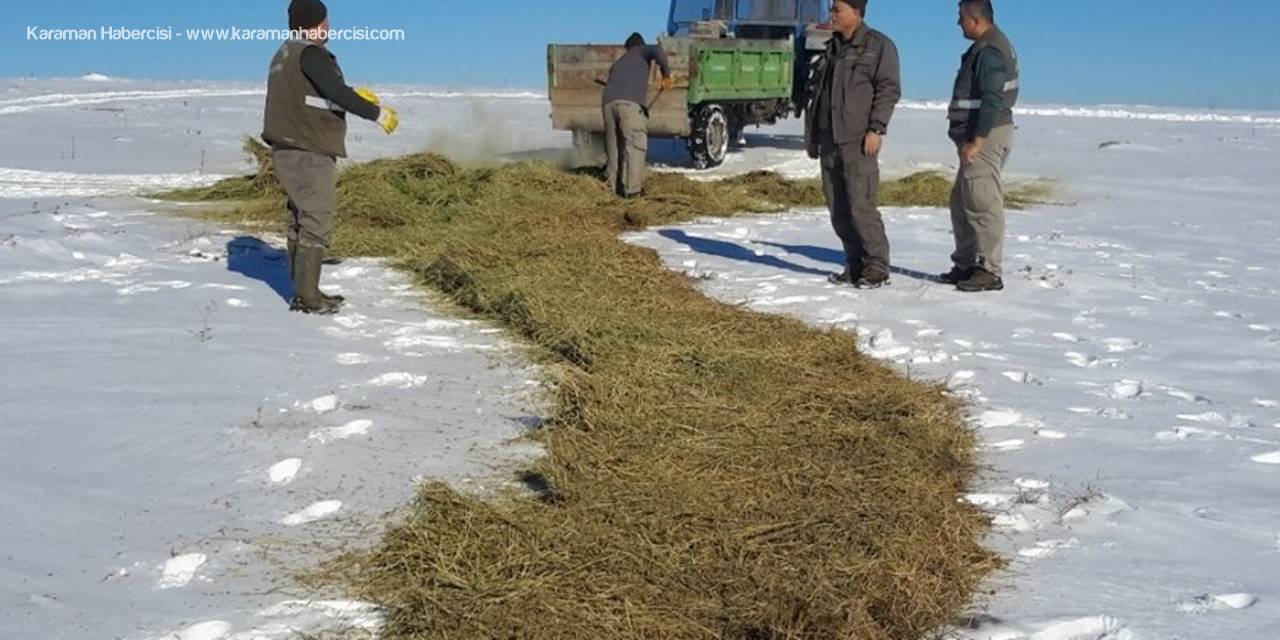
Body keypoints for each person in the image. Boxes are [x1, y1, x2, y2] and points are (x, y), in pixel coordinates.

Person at [261, 0, 399, 315]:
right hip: (308, 149)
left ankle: (304, 290)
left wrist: (348, 94)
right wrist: (375, 113)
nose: (329, 27)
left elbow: (316, 95)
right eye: (326, 21)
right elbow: (332, 90)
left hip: (288, 148)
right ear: (315, 22)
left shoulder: (284, 54)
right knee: (315, 216)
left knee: (300, 216)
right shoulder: (310, 52)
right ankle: (308, 297)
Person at [805, 0, 901, 289]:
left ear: (856, 13)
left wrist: (876, 128)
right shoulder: (831, 49)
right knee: (839, 209)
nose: (831, 14)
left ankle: (876, 266)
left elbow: (889, 89)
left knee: (861, 206)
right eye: (832, 9)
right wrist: (812, 137)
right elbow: (818, 96)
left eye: (837, 10)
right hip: (829, 140)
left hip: (858, 141)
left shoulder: (878, 47)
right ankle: (855, 263)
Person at [941, 0, 1019, 293]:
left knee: (983, 202)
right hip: (978, 136)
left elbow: (992, 100)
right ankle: (965, 264)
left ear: (975, 19)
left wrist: (977, 141)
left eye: (960, 17)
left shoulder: (989, 51)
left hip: (985, 137)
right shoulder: (986, 47)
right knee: (962, 201)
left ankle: (989, 271)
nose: (958, 23)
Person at [602, 33, 673, 198]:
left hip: (607, 105)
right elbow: (658, 50)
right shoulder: (641, 51)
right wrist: (666, 74)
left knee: (615, 150)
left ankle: (613, 190)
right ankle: (633, 191)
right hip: (628, 105)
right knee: (635, 145)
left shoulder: (618, 63)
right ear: (639, 45)